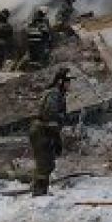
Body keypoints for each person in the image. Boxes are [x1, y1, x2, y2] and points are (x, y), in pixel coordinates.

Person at [29, 66, 70, 195]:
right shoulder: (54, 95)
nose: (69, 85)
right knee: (44, 163)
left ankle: (41, 190)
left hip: (45, 132)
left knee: (47, 163)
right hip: (42, 132)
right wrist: (57, 139)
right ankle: (39, 192)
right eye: (68, 82)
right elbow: (51, 118)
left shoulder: (57, 94)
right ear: (60, 82)